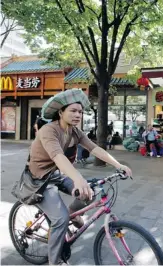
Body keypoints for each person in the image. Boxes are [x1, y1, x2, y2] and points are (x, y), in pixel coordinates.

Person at [28, 89, 132, 265]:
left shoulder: (75, 132)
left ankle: (72, 214)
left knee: (88, 191)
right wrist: (77, 178)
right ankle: (56, 261)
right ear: (61, 112)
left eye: (80, 112)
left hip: (56, 175)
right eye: (73, 111)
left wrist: (118, 164)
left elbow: (95, 149)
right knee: (60, 219)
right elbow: (58, 156)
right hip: (38, 179)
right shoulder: (48, 130)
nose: (78, 115)